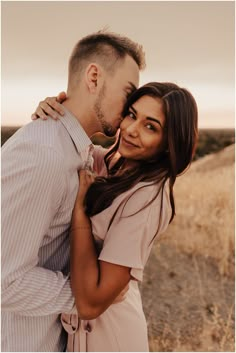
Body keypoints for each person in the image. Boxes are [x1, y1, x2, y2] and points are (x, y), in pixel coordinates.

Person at [1, 31, 145, 352]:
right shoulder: (43, 155)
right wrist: (88, 293)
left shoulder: (78, 151)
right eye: (129, 92)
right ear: (93, 76)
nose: (131, 108)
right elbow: (4, 280)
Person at [33, 81, 198, 351]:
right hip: (81, 335)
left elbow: (90, 303)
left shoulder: (148, 199)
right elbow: (71, 151)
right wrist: (54, 114)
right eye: (132, 114)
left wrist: (79, 212)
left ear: (169, 143)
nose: (131, 130)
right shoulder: (113, 162)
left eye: (150, 126)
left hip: (111, 338)